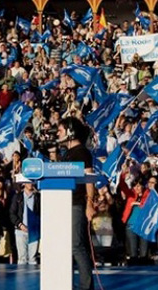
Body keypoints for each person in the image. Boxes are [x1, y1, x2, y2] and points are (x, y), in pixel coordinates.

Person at [56, 117, 94, 290]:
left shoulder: (82, 152)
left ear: (70, 132)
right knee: (67, 246)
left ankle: (86, 286)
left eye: (61, 130)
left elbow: (89, 179)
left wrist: (90, 203)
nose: (58, 133)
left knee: (76, 245)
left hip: (76, 203)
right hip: (63, 203)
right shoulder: (67, 154)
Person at [9, 179, 40, 265]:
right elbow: (12, 213)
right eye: (29, 182)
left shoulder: (37, 197)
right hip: (20, 231)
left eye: (32, 182)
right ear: (24, 183)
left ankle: (33, 277)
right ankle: (22, 277)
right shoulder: (18, 197)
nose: (31, 184)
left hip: (33, 231)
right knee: (22, 258)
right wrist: (20, 224)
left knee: (33, 258)